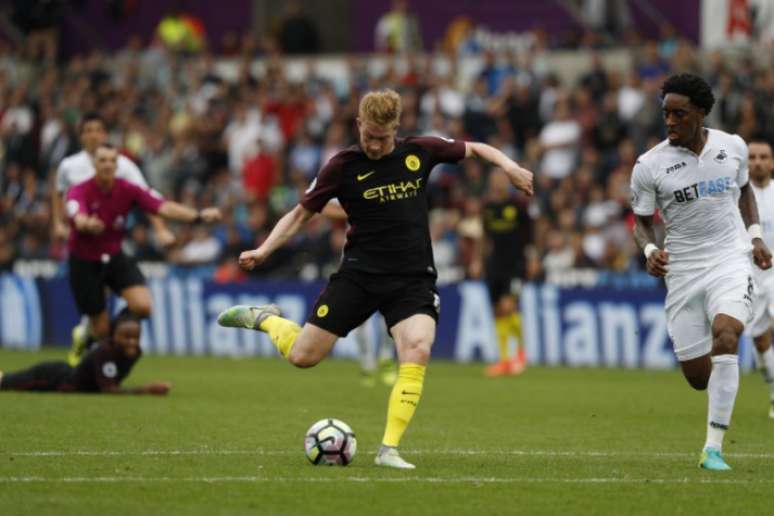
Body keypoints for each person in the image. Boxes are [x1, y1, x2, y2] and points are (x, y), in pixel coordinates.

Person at [217, 88, 533, 469]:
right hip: (360, 276)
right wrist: (264, 249)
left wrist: (511, 167)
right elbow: (302, 214)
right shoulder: (342, 165)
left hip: (412, 279)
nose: (375, 145)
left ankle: (389, 449)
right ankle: (265, 318)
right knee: (303, 356)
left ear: (396, 129)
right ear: (359, 125)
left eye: (382, 138)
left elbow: (478, 148)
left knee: (417, 348)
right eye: (368, 135)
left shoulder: (420, 151)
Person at [630, 73, 772, 471]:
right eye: (666, 114)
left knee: (727, 334)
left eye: (679, 114)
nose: (670, 122)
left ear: (701, 112)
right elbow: (640, 221)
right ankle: (719, 397)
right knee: (697, 376)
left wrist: (755, 236)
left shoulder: (733, 147)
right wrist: (650, 248)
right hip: (683, 271)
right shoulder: (650, 165)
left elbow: (743, 190)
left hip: (730, 258)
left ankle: (713, 448)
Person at [65, 142, 221, 362]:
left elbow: (162, 207)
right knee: (100, 328)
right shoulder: (80, 190)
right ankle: (94, 341)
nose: (108, 165)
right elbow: (75, 213)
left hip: (114, 255)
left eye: (112, 160)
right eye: (102, 160)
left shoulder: (128, 189)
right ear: (94, 163)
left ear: (117, 164)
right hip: (84, 261)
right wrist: (86, 223)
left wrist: (198, 216)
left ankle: (106, 336)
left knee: (143, 305)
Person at [51, 112, 175, 365]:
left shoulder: (124, 165)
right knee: (98, 304)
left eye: (98, 129)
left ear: (105, 135)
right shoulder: (69, 166)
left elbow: (148, 197)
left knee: (128, 306)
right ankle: (96, 348)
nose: (93, 134)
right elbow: (58, 192)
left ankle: (93, 334)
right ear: (81, 136)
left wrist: (160, 228)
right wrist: (57, 222)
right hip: (83, 245)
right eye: (88, 130)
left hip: (112, 243)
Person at [0, 310, 170, 395]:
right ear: (113, 336)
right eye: (126, 336)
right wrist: (146, 389)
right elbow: (109, 389)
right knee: (7, 383)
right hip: (57, 378)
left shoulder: (135, 352)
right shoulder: (105, 352)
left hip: (67, 372)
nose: (132, 341)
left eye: (136, 337)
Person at [480, 168, 533, 377]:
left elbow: (531, 231)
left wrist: (533, 257)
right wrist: (478, 260)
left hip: (516, 264)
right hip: (495, 264)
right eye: (495, 179)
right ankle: (504, 360)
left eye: (502, 179)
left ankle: (520, 353)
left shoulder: (518, 204)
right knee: (497, 311)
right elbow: (484, 235)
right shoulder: (488, 206)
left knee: (509, 306)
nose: (498, 182)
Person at [746, 138, 774, 417]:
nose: (757, 161)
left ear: (772, 161)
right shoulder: (738, 199)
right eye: (752, 157)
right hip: (749, 276)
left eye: (763, 156)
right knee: (760, 342)